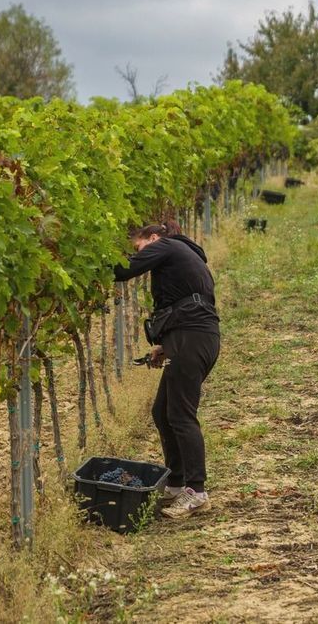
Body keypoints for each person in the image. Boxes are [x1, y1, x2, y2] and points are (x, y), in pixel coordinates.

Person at [113, 221, 220, 518]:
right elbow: (187, 301)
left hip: (193, 338)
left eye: (138, 247)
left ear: (154, 238)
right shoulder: (182, 255)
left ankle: (196, 493)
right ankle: (176, 484)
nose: (138, 254)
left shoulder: (167, 246)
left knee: (181, 415)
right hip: (192, 337)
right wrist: (165, 345)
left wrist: (86, 262)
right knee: (163, 411)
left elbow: (121, 271)